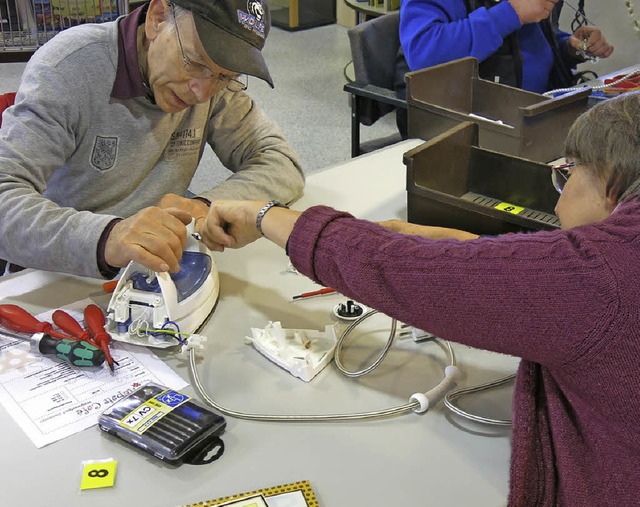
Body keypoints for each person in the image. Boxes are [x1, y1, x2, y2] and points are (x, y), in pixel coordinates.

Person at [196, 91, 640, 505]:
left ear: (612, 178)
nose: (557, 204)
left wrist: (262, 214)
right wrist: (465, 249)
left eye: (566, 175)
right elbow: (540, 280)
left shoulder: (603, 274)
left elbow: (388, 266)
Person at [0, 0, 304, 279]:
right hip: (66, 271)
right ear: (158, 19)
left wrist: (204, 205)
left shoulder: (213, 84)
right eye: (195, 62)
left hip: (164, 263)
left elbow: (280, 161)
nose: (202, 92)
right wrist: (109, 236)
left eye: (224, 76)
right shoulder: (67, 68)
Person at [394, 0, 614, 137]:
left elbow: (520, 45)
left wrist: (569, 47)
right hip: (466, 125)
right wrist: (511, 13)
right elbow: (424, 53)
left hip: (535, 114)